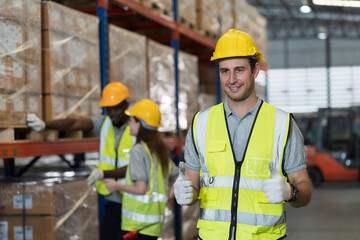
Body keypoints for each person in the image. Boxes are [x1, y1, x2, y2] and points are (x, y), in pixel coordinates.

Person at [173, 29, 313, 240]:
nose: (231, 79)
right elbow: (193, 187)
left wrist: (290, 192)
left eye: (239, 70)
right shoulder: (200, 123)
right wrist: (186, 193)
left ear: (255, 71)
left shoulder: (282, 124)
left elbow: (305, 190)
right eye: (224, 71)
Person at [26, 82, 135, 240]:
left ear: (126, 104)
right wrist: (44, 125)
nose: (112, 113)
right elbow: (74, 122)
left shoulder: (137, 128)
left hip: (133, 201)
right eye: (108, 109)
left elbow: (138, 168)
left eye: (116, 108)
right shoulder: (104, 123)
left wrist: (103, 173)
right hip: (113, 201)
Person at [104, 99, 178, 240]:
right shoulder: (158, 150)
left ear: (140, 124)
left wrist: (116, 185)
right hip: (153, 226)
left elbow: (140, 188)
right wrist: (167, 195)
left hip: (136, 227)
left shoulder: (138, 150)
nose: (129, 125)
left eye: (131, 121)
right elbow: (178, 176)